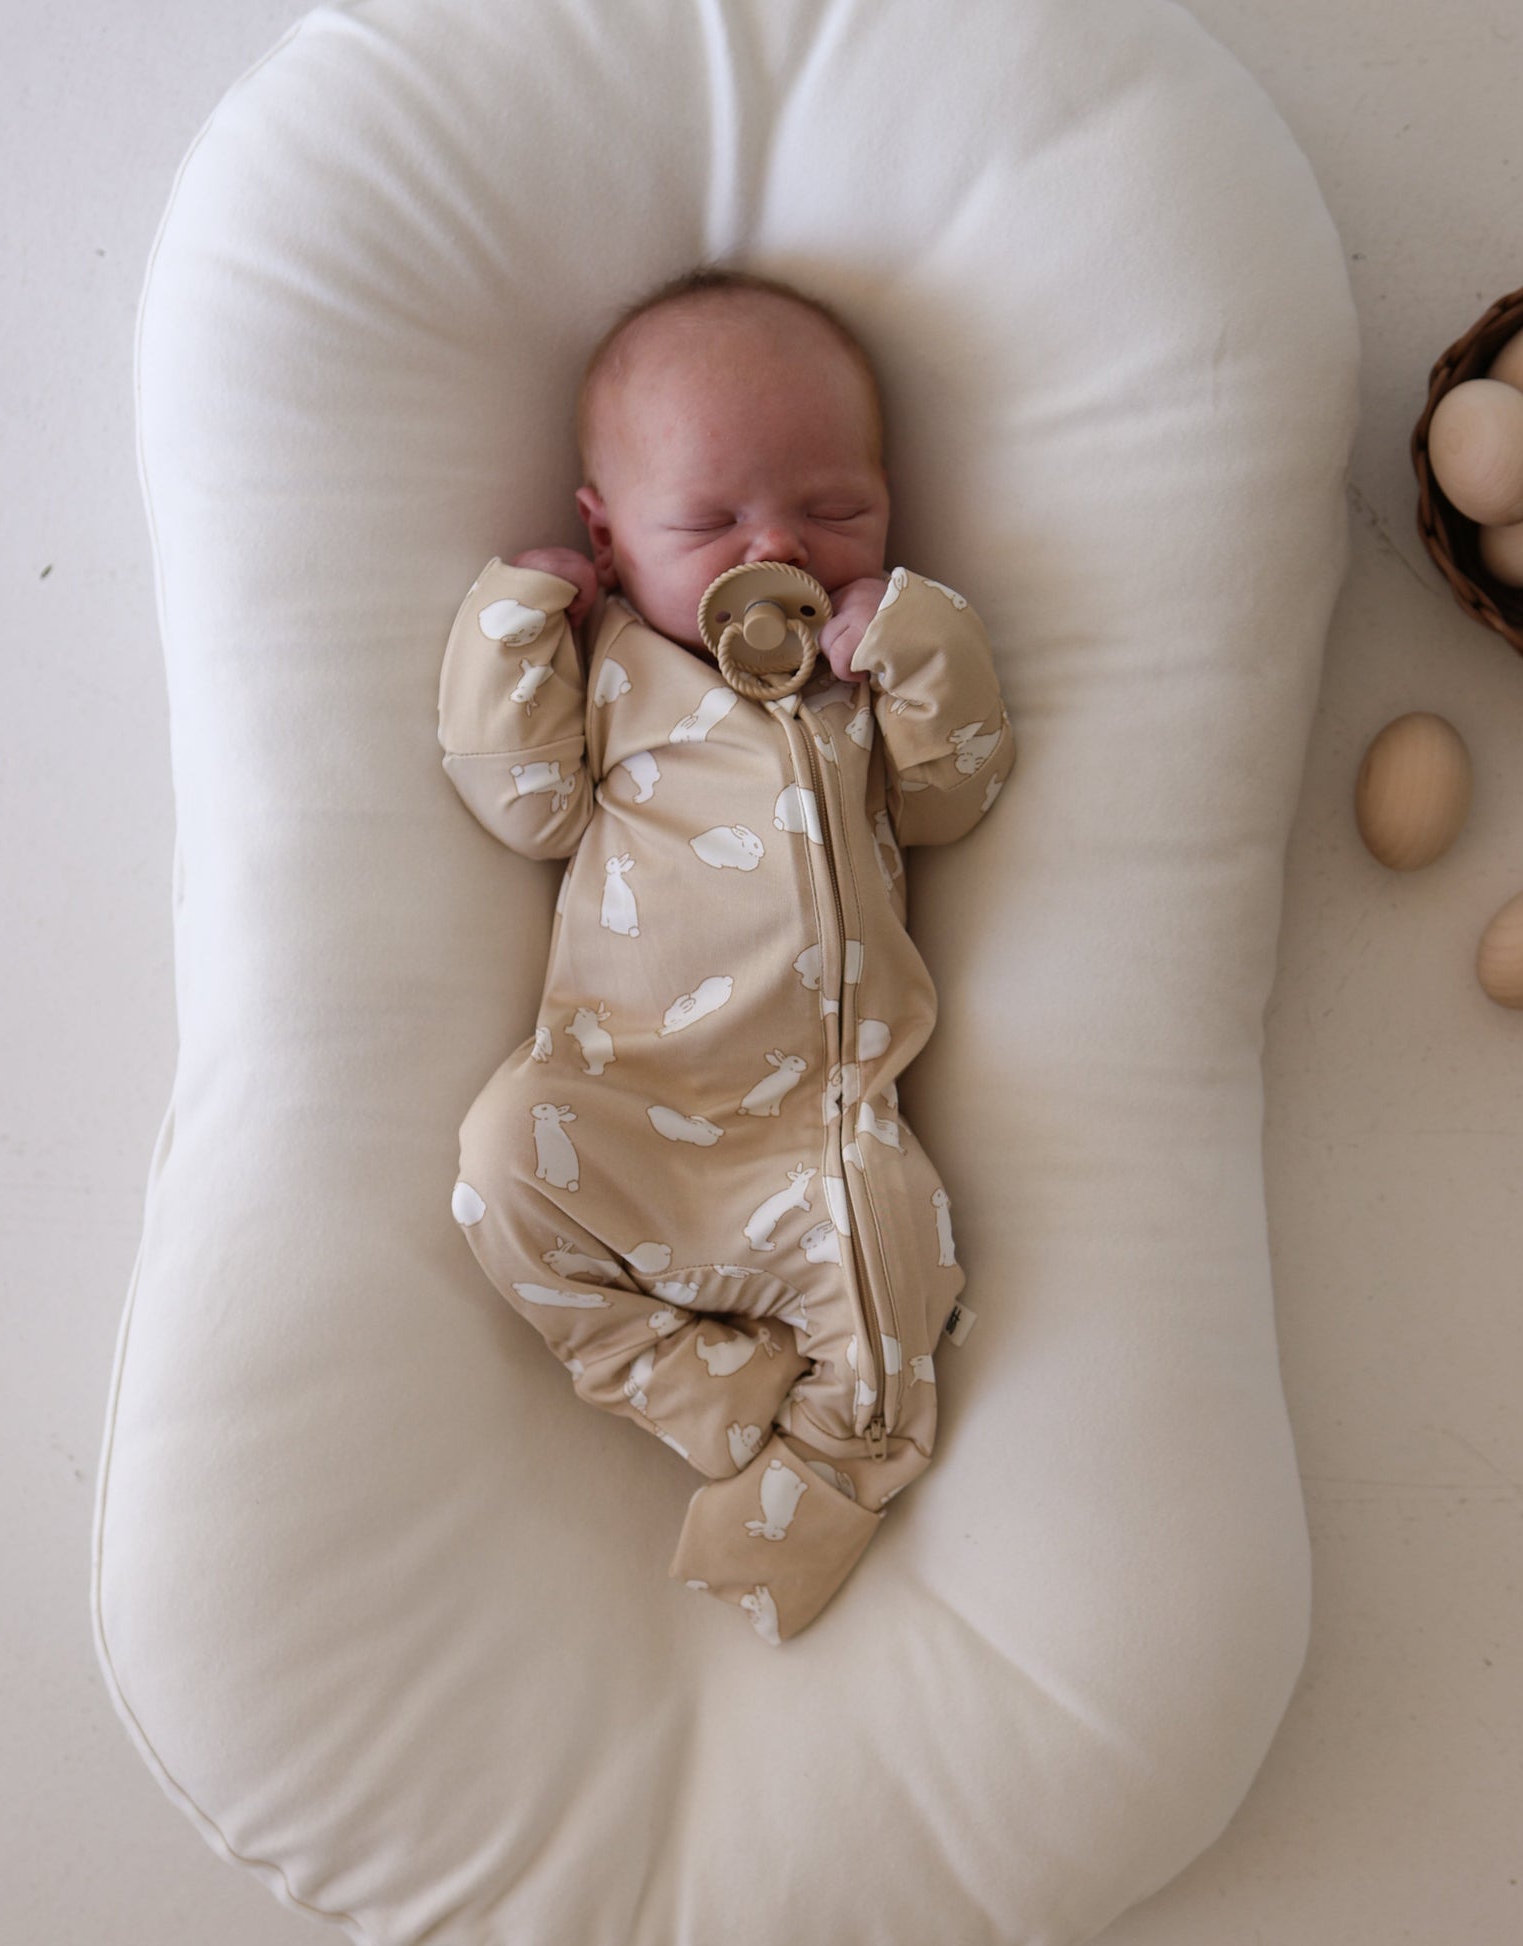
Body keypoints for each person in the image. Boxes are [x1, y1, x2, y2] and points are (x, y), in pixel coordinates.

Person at [439, 264, 1015, 1645]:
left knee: (902, 1296)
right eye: (707, 520)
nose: (783, 550)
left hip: (817, 1136)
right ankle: (695, 1386)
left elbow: (953, 798)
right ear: (610, 532)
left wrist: (924, 652)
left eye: (833, 510)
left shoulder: (857, 690)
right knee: (498, 1158)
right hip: (625, 1102)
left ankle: (809, 1488)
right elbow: (520, 805)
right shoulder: (623, 674)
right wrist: (513, 624)